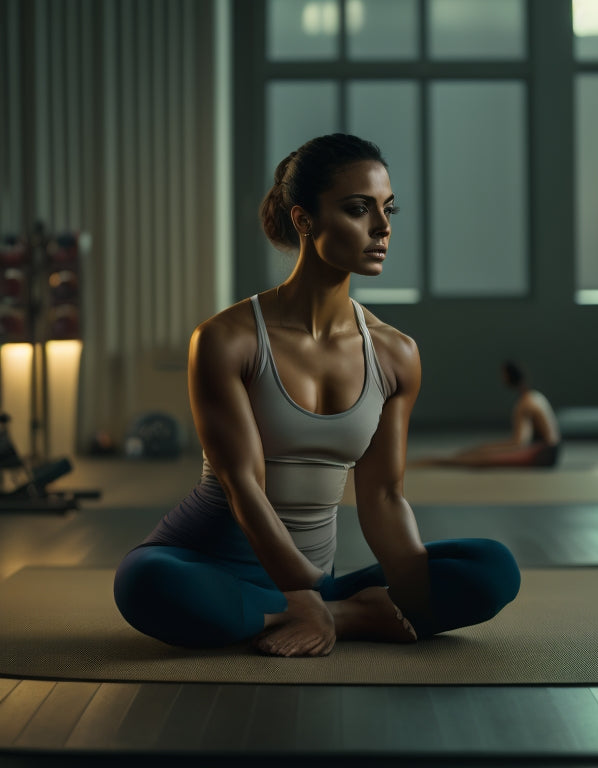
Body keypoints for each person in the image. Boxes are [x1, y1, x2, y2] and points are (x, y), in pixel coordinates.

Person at [113, 133, 520, 657]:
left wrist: (416, 588)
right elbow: (242, 487)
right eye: (358, 209)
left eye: (387, 208)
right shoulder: (226, 339)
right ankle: (330, 614)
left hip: (315, 581)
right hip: (211, 565)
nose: (383, 227)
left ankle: (320, 615)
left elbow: (382, 496)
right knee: (143, 582)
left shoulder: (396, 353)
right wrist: (304, 591)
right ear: (304, 220)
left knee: (491, 568)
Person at [415, 361, 561, 468]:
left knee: (481, 458)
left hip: (544, 454)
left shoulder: (525, 404)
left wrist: (487, 449)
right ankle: (443, 460)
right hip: (550, 450)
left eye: (503, 375)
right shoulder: (535, 396)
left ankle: (439, 461)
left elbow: (520, 442)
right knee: (479, 452)